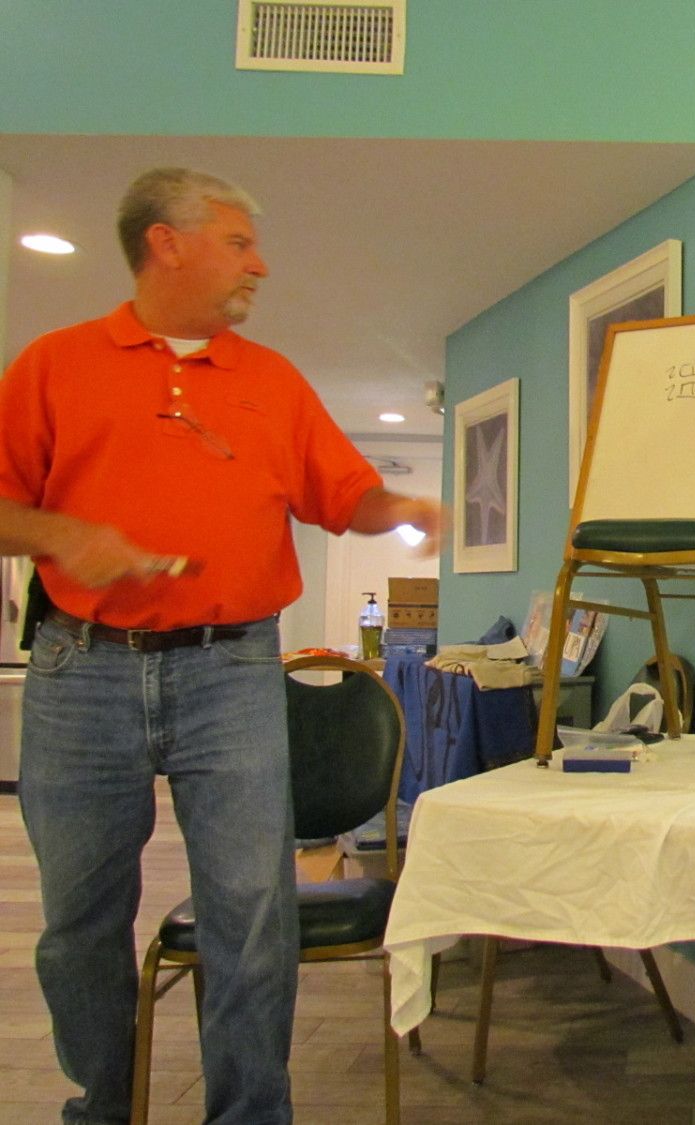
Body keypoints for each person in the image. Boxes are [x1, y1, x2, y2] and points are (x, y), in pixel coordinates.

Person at [0, 167, 444, 1124]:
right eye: (239, 243)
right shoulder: (52, 364)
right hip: (80, 672)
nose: (260, 265)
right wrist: (65, 535)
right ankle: (100, 1106)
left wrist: (399, 505)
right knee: (79, 917)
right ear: (166, 242)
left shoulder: (272, 381)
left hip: (232, 671)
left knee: (250, 910)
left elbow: (342, 495)